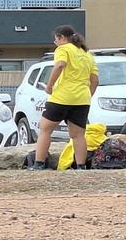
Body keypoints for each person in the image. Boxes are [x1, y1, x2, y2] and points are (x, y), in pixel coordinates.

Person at [29, 25, 98, 170]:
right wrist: (87, 95)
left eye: (56, 40)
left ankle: (39, 164)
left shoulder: (63, 49)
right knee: (78, 135)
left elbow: (60, 65)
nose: (56, 43)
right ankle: (81, 166)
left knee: (45, 130)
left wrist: (49, 86)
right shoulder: (87, 55)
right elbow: (95, 80)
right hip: (81, 99)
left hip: (61, 97)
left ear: (61, 38)